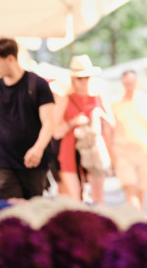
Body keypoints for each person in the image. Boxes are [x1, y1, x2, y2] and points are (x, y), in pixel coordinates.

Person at [0, 37, 55, 200]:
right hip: (3, 165)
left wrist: (38, 148)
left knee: (34, 215)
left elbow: (49, 122)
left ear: (10, 59)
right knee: (10, 214)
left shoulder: (38, 85)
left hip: (34, 165)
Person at [53, 55, 113, 203]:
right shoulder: (66, 99)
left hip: (94, 151)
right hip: (71, 153)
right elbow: (55, 132)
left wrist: (99, 115)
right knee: (76, 199)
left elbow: (112, 124)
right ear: (73, 79)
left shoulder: (98, 96)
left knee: (98, 199)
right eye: (80, 78)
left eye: (87, 77)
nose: (84, 81)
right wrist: (73, 122)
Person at [110, 70, 147, 210]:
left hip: (145, 151)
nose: (129, 85)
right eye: (126, 83)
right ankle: (135, 220)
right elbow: (110, 129)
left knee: (141, 190)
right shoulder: (115, 103)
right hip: (123, 151)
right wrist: (111, 153)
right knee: (130, 188)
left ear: (136, 82)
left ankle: (139, 221)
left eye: (131, 82)